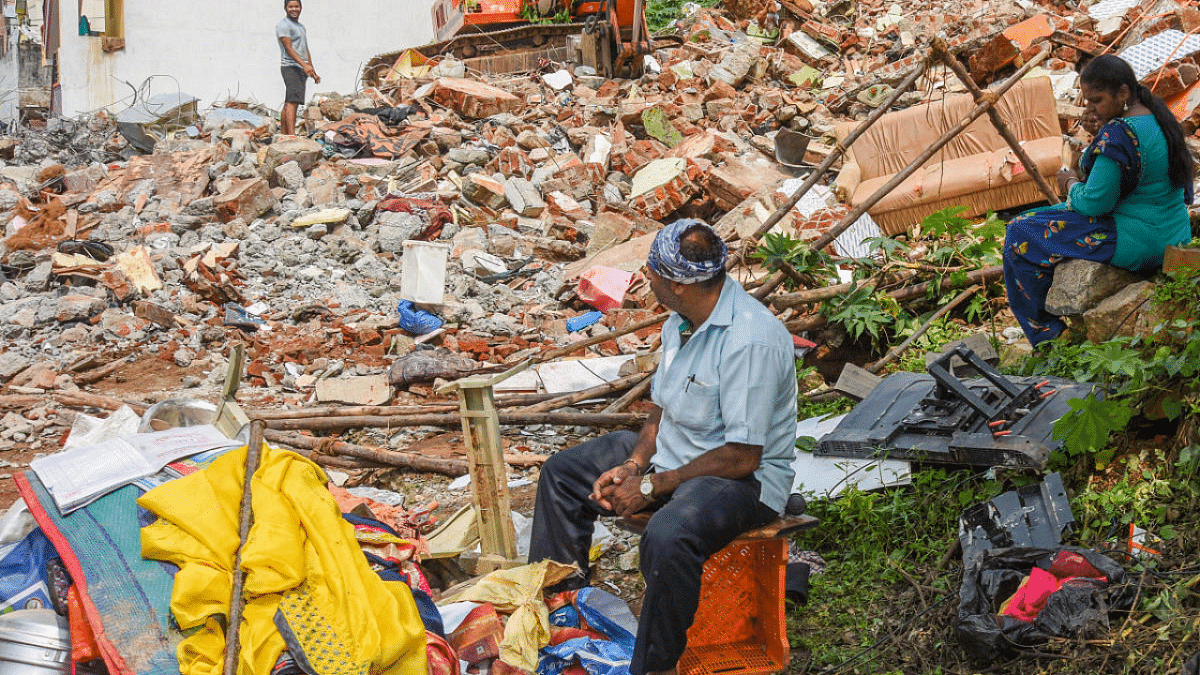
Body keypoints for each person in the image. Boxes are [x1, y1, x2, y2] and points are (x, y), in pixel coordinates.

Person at [529, 219, 798, 675]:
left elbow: (742, 455)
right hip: (674, 459)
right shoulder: (681, 321)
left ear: (676, 283)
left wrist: (653, 487)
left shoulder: (751, 339)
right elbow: (661, 410)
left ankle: (654, 665)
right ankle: (563, 608)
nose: (645, 278)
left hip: (742, 482)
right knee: (562, 474)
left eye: (652, 270)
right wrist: (634, 465)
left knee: (670, 534)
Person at [1003, 54, 1194, 347]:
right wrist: (1100, 133)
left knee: (1018, 230)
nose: (1090, 108)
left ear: (1123, 92)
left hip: (1138, 241)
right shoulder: (1158, 117)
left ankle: (1048, 335)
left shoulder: (1118, 134)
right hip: (1173, 233)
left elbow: (1095, 204)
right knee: (1043, 219)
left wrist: (1069, 180)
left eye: (1097, 100)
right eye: (1087, 101)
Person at [277, 0, 319, 136]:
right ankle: (291, 135)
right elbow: (289, 49)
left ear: (300, 8)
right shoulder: (283, 25)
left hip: (301, 67)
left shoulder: (301, 27)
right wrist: (304, 65)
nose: (294, 9)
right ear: (285, 8)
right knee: (292, 101)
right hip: (290, 66)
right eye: (291, 6)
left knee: (290, 101)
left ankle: (284, 134)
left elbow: (304, 48)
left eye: (296, 6)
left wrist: (311, 68)